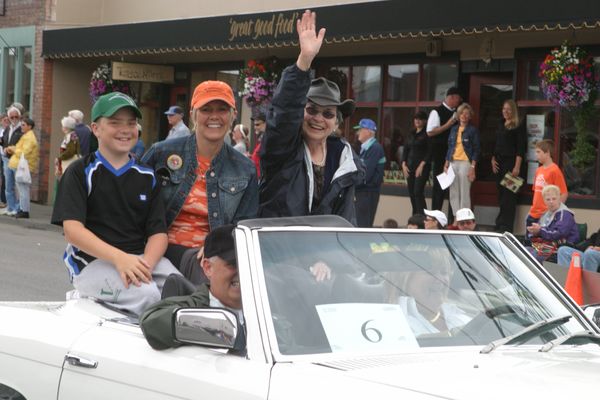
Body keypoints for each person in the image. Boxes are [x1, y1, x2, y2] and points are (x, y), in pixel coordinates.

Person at [51, 92, 181, 316]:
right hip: (91, 263)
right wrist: (120, 259)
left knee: (182, 291)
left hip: (138, 258)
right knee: (147, 296)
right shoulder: (80, 172)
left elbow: (158, 233)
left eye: (131, 123)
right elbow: (72, 232)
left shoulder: (147, 175)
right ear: (95, 128)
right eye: (114, 122)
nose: (125, 129)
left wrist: (145, 266)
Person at [142, 80, 258, 280]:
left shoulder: (245, 168)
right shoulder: (161, 153)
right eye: (206, 109)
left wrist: (217, 244)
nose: (214, 116)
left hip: (213, 256)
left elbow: (244, 225)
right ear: (193, 114)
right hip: (160, 250)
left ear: (233, 115)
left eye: (222, 109)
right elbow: (135, 200)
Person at [259, 10, 364, 224]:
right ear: (301, 112)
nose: (318, 118)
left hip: (323, 253)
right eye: (312, 110)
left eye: (328, 113)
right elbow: (283, 115)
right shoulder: (283, 148)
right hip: (278, 250)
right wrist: (304, 61)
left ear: (337, 122)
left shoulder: (344, 159)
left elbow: (345, 219)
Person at [140, 224, 242, 350]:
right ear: (208, 267)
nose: (243, 271)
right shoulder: (193, 306)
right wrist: (219, 329)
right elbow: (151, 323)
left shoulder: (270, 306)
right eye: (233, 264)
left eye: (248, 262)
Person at [385, 249, 470, 335]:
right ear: (405, 279)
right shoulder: (394, 324)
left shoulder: (457, 316)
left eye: (444, 272)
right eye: (431, 272)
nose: (440, 280)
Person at [491, 100, 527, 233]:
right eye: (504, 109)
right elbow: (496, 144)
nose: (505, 112)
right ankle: (499, 224)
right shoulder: (501, 123)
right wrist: (492, 159)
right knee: (501, 196)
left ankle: (505, 227)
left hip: (512, 164)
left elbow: (520, 148)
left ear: (514, 111)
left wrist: (517, 167)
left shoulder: (518, 125)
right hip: (499, 164)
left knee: (509, 197)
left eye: (509, 109)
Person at [426, 87, 461, 212]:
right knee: (439, 186)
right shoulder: (437, 112)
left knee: (455, 186)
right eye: (457, 99)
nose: (459, 102)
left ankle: (454, 218)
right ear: (451, 97)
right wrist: (448, 124)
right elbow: (430, 132)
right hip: (440, 153)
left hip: (456, 154)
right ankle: (435, 215)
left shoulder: (458, 112)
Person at [444, 103, 480, 220]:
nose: (464, 116)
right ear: (458, 116)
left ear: (470, 116)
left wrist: (473, 168)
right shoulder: (454, 129)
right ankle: (455, 217)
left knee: (464, 192)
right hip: (453, 162)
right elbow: (450, 146)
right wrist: (446, 163)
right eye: (462, 113)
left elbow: (476, 149)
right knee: (453, 192)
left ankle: (464, 219)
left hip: (466, 163)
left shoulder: (472, 130)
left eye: (467, 114)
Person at [526, 185, 578, 263]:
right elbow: (543, 230)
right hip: (546, 245)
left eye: (554, 199)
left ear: (559, 198)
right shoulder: (546, 214)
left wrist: (540, 231)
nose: (551, 202)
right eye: (548, 199)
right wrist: (534, 232)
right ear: (544, 200)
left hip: (562, 246)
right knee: (524, 252)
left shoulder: (565, 214)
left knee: (534, 257)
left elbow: (559, 233)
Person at [527, 139, 567, 228]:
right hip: (533, 213)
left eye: (538, 152)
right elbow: (536, 193)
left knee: (541, 241)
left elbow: (563, 193)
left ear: (547, 153)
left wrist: (554, 212)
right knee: (528, 241)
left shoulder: (555, 170)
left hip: (545, 214)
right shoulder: (538, 170)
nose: (536, 155)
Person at [354, 118, 385, 227]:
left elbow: (365, 175)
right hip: (364, 193)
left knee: (363, 225)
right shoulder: (367, 148)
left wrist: (352, 183)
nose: (357, 133)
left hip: (367, 193)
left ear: (368, 131)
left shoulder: (374, 148)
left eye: (360, 129)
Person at [5, 117, 38, 219]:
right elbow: (20, 149)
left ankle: (24, 211)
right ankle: (22, 209)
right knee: (21, 189)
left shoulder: (29, 138)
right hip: (17, 164)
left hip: (22, 166)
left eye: (23, 125)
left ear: (30, 126)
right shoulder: (26, 136)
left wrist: (12, 149)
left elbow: (24, 152)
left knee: (23, 190)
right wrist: (13, 149)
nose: (21, 127)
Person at [402, 111, 431, 215]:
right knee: (411, 193)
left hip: (421, 167)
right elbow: (406, 149)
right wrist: (403, 164)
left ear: (425, 121)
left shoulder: (427, 134)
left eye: (420, 119)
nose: (417, 121)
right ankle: (415, 215)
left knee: (418, 192)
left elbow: (429, 151)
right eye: (415, 119)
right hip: (410, 166)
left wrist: (422, 164)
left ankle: (422, 216)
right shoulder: (411, 133)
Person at [0, 106, 23, 216]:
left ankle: (18, 208)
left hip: (17, 160)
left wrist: (9, 149)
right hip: (6, 159)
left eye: (16, 116)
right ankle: (10, 207)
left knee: (18, 186)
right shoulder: (8, 128)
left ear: (19, 116)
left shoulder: (22, 129)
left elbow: (22, 145)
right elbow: (4, 140)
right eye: (11, 117)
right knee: (8, 185)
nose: (14, 118)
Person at [250, 106, 267, 178]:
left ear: (266, 123)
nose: (255, 127)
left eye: (257, 124)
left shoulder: (270, 140)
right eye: (254, 125)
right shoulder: (262, 138)